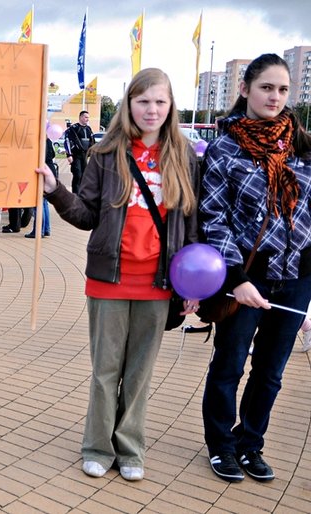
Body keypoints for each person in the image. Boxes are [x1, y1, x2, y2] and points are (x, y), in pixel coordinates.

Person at [35, 68, 199, 481]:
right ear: (128, 105)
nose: (152, 109)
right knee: (106, 370)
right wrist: (55, 188)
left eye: (160, 101)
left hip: (159, 283)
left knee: (140, 373)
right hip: (109, 279)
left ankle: (130, 449)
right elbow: (87, 214)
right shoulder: (106, 154)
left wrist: (193, 284)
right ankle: (97, 445)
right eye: (143, 101)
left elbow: (192, 223)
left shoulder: (183, 156)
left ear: (170, 106)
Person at [199, 53, 311, 483]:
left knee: (271, 371)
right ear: (244, 89)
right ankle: (222, 445)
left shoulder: (303, 146)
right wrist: (237, 279)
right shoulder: (225, 148)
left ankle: (251, 444)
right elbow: (214, 218)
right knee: (230, 363)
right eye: (266, 87)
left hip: (298, 276)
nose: (275, 96)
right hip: (247, 275)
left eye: (283, 89)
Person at [25, 137, 57, 238]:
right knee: (44, 203)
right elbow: (52, 154)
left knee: (39, 203)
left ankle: (38, 230)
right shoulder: (48, 140)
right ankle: (46, 229)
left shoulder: (39, 141)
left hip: (42, 173)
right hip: (50, 171)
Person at [64, 110, 96, 194]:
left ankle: (82, 194)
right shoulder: (74, 128)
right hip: (76, 155)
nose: (87, 119)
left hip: (85, 156)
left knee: (84, 176)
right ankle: (76, 195)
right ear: (81, 117)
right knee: (77, 175)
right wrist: (69, 155)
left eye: (88, 118)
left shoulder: (89, 129)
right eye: (86, 117)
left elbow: (92, 141)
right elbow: (67, 141)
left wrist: (92, 152)